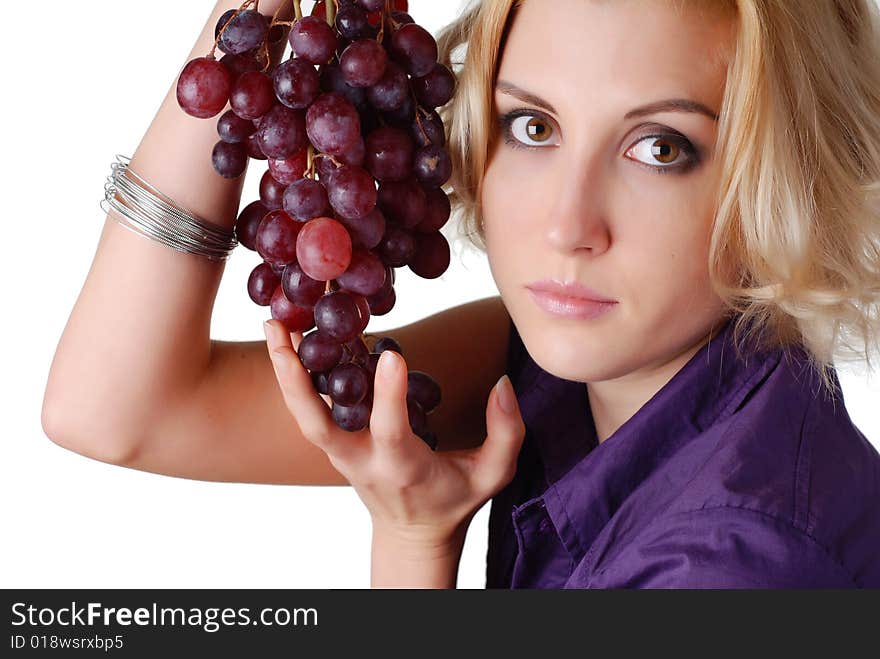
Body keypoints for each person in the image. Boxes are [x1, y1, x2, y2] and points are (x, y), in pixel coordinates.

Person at [42, 0, 880, 589]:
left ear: (786, 173)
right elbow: (112, 408)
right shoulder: (562, 368)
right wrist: (250, 27)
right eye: (534, 126)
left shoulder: (735, 567)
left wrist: (414, 546)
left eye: (660, 148)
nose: (566, 224)